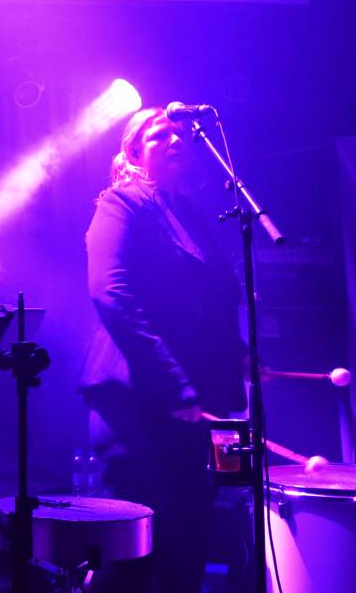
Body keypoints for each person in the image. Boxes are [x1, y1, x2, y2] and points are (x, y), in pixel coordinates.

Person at [82, 107, 248, 592]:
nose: (176, 140)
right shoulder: (121, 203)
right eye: (160, 135)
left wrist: (237, 353)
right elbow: (111, 293)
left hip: (192, 404)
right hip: (139, 402)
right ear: (134, 152)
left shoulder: (192, 216)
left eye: (180, 135)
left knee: (188, 547)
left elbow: (208, 302)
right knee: (133, 556)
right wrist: (172, 384)